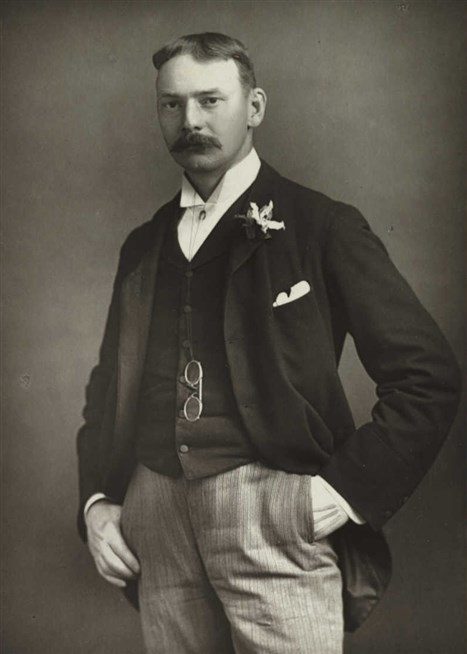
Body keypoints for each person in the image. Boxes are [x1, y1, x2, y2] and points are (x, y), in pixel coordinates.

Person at [77, 32, 460, 654]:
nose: (190, 120)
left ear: (254, 107)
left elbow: (428, 375)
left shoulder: (322, 225)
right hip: (155, 516)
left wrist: (340, 493)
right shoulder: (143, 245)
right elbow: (107, 388)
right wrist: (96, 501)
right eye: (172, 104)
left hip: (273, 512)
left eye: (210, 100)